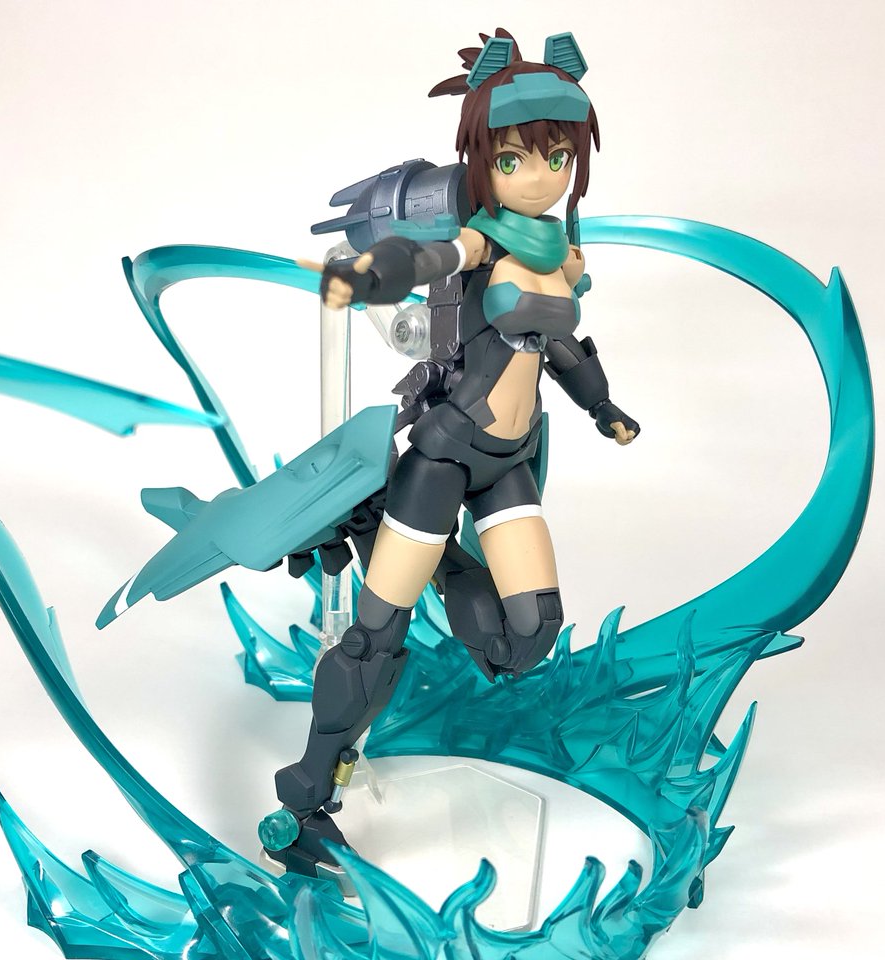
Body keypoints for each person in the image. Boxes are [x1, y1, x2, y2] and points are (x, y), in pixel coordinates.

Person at [261, 28, 640, 886]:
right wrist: (370, 276)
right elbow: (427, 256)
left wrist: (603, 406)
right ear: (483, 164)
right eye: (515, 160)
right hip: (443, 459)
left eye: (557, 157)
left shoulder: (559, 253)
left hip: (508, 461)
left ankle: (408, 545)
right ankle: (306, 801)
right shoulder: (481, 241)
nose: (539, 176)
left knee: (526, 639)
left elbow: (562, 348)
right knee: (374, 644)